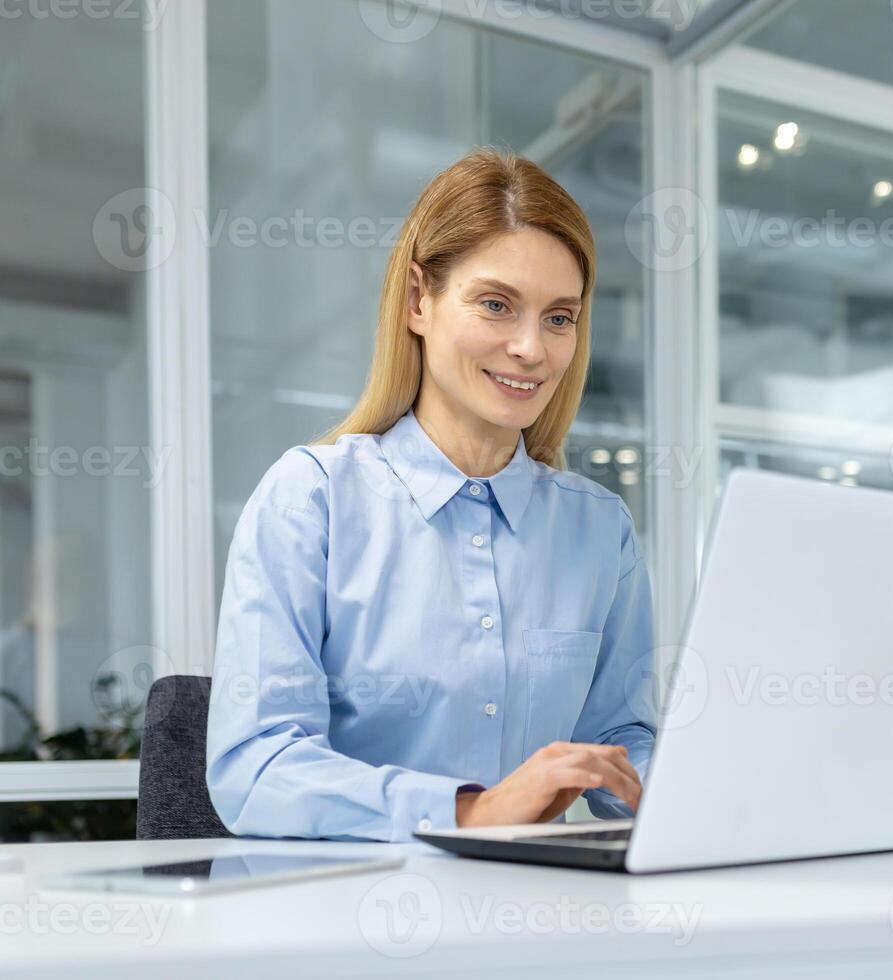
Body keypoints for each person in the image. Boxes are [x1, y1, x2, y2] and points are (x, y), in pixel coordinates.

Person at [205, 148, 654, 841]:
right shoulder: (311, 499)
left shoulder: (600, 531)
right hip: (348, 917)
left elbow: (622, 741)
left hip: (541, 913)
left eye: (559, 317)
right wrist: (469, 811)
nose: (532, 349)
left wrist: (687, 793)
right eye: (497, 305)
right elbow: (257, 768)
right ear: (419, 300)